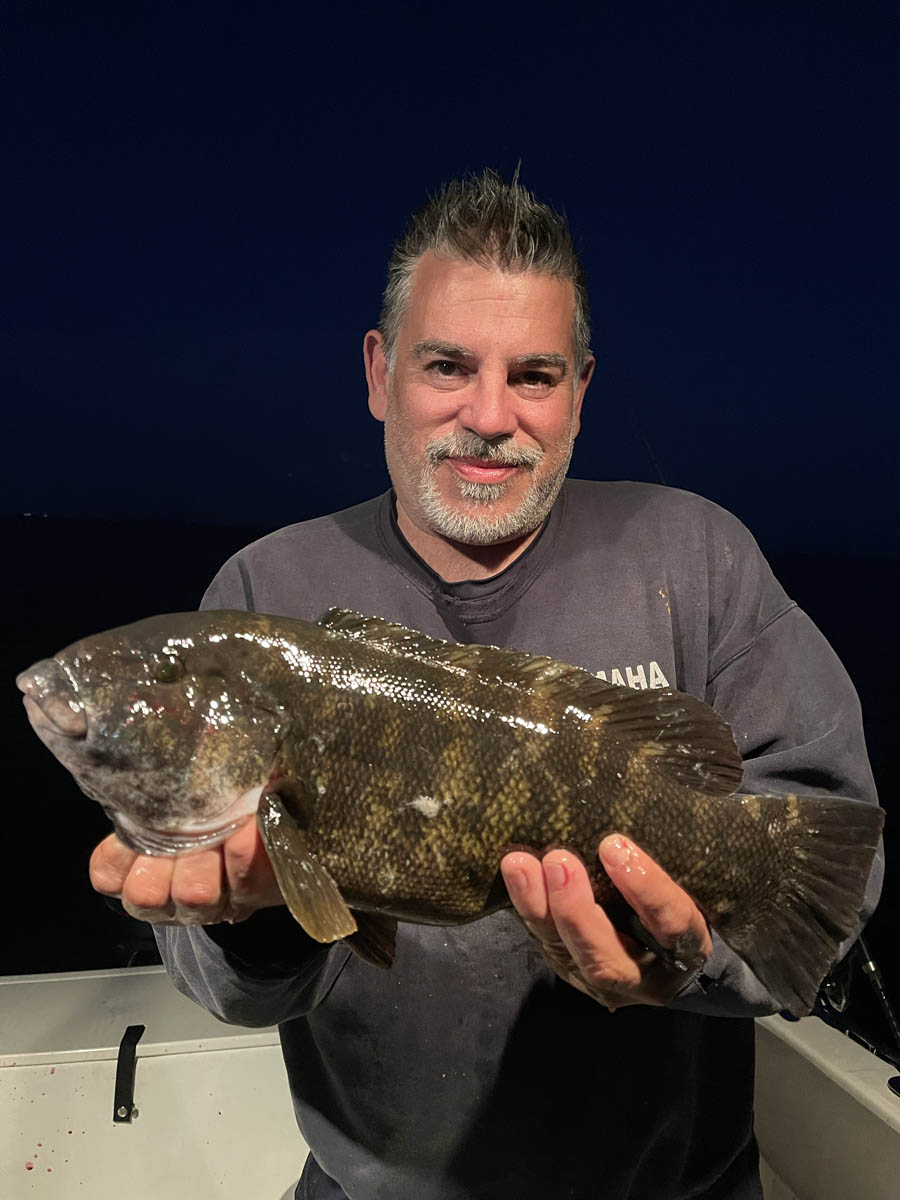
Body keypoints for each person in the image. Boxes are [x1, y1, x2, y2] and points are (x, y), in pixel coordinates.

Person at [89, 169, 882, 1200]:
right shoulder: (264, 596)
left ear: (581, 391)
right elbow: (226, 984)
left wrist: (692, 961)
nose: (491, 414)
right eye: (448, 365)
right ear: (380, 373)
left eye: (535, 375)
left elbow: (828, 872)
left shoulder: (699, 557)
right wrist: (268, 913)